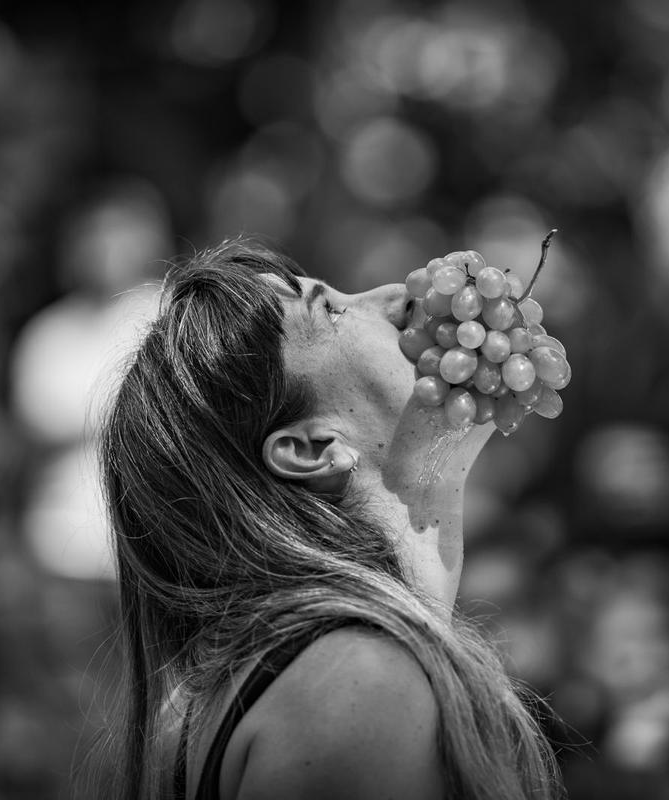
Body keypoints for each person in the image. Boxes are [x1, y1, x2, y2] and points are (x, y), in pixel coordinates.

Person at [95, 238, 561, 799]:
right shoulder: (360, 688)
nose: (399, 295)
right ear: (314, 450)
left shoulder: (287, 684)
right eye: (331, 309)